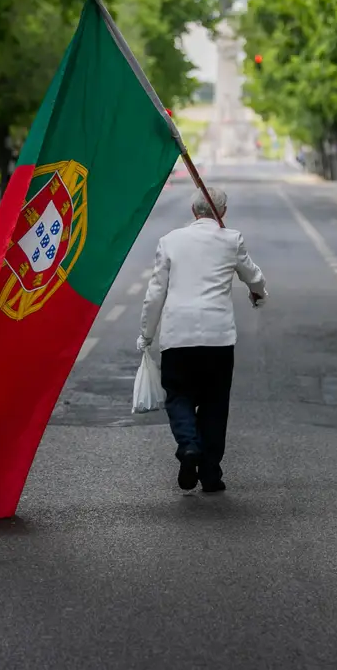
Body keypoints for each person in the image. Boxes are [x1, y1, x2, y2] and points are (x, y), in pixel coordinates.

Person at [138, 186, 266, 494]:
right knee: (214, 404)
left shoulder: (170, 241)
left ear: (194, 211)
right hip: (217, 337)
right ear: (222, 213)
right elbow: (254, 277)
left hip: (177, 336)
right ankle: (210, 473)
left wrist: (147, 334)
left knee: (179, 395)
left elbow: (155, 293)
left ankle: (188, 445)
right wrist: (258, 295)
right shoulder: (231, 240)